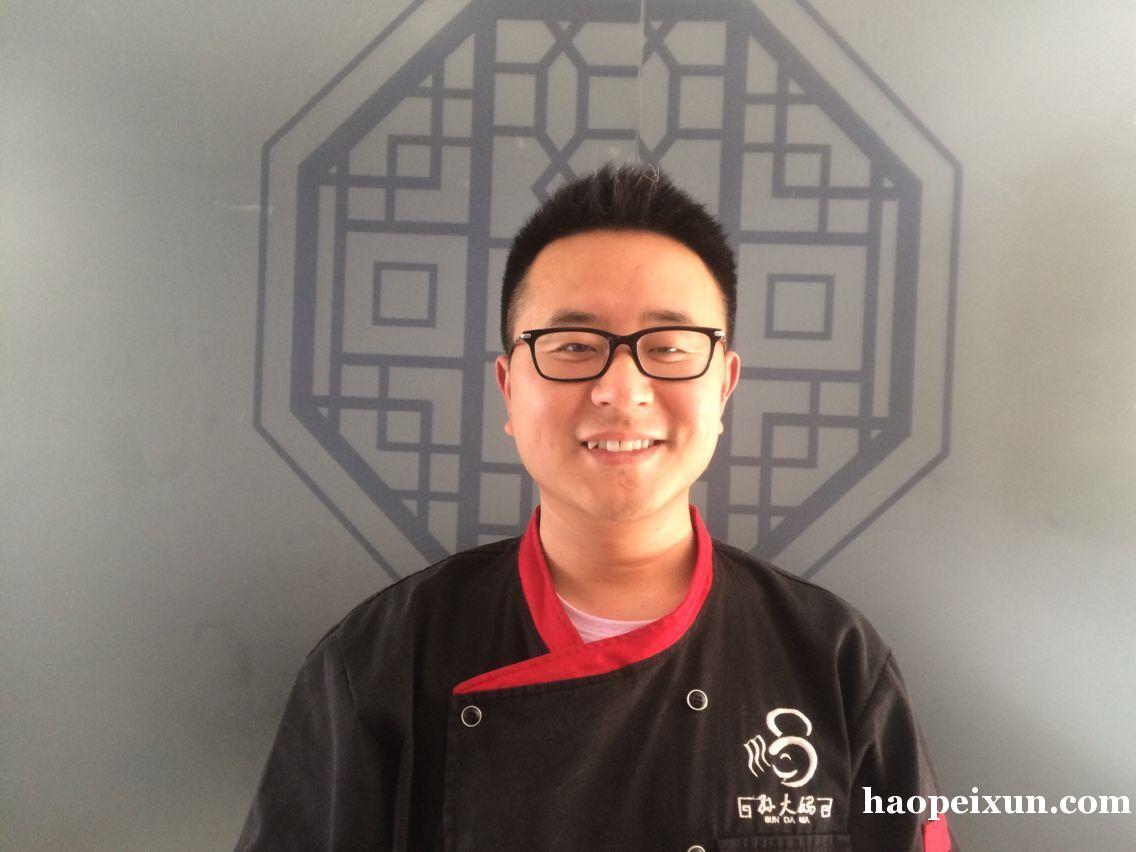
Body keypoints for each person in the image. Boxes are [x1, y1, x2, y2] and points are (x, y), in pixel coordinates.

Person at [236, 164, 952, 851]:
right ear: (508, 387)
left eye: (669, 347)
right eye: (574, 346)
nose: (622, 389)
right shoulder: (380, 660)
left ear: (724, 387)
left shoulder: (835, 660)